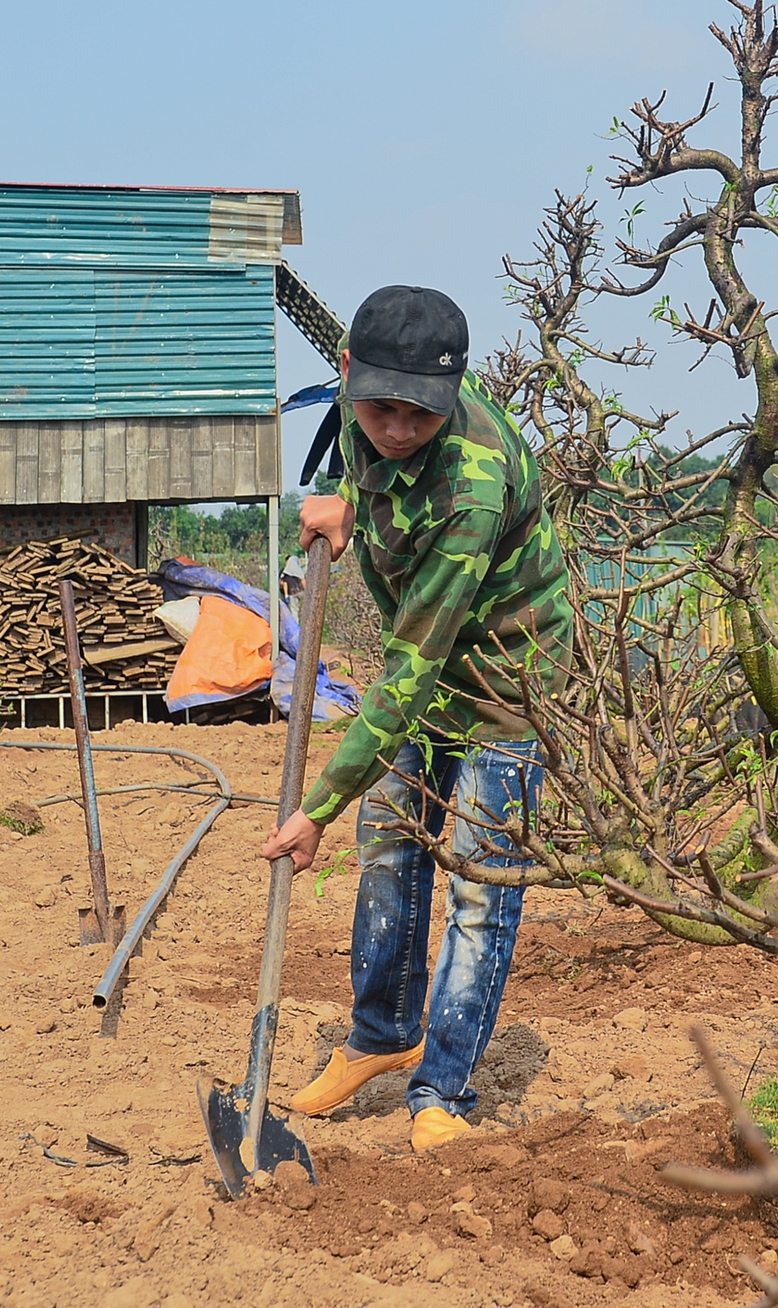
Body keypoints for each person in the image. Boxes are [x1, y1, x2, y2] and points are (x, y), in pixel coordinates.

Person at [259, 285, 572, 1153]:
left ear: (451, 395)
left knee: (478, 876)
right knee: (390, 841)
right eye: (380, 409)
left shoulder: (474, 485)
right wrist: (347, 507)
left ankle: (443, 1085)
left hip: (502, 678)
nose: (395, 429)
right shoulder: (357, 421)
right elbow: (375, 479)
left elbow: (410, 672)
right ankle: (381, 1032)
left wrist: (315, 803)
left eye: (418, 417)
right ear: (350, 374)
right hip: (426, 659)